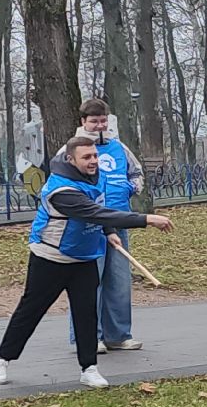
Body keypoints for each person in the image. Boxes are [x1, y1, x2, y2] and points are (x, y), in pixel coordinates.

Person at [0, 136, 172, 389]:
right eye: (86, 157)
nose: (93, 161)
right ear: (70, 160)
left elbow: (100, 206)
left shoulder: (97, 177)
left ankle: (89, 368)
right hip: (51, 257)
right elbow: (94, 212)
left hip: (84, 256)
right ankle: (2, 359)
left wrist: (109, 232)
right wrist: (146, 219)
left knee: (86, 313)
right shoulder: (61, 190)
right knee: (30, 311)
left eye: (95, 155)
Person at [60, 99, 146, 353]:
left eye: (103, 120)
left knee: (119, 281)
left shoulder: (119, 147)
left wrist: (132, 187)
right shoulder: (71, 148)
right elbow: (62, 182)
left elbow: (136, 173)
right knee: (89, 282)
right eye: (94, 121)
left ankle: (118, 335)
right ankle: (87, 337)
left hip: (118, 221)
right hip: (88, 226)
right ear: (83, 122)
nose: (99, 125)